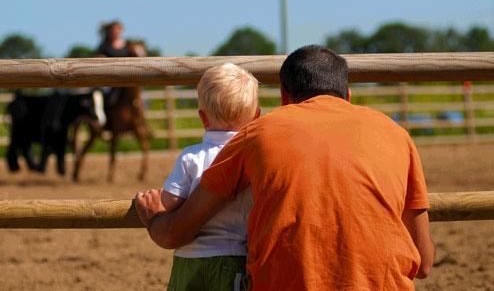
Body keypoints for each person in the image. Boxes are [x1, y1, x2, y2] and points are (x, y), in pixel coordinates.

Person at [135, 45, 435, 290]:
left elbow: (175, 233)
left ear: (284, 97)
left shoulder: (260, 134)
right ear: (348, 96)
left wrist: (154, 218)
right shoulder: (396, 135)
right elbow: (424, 262)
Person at [139, 63, 259, 290]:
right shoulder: (254, 159)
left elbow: (169, 202)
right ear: (256, 116)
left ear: (203, 118)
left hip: (189, 258)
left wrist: (151, 209)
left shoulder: (191, 157)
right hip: (234, 256)